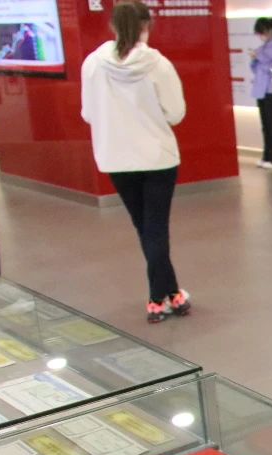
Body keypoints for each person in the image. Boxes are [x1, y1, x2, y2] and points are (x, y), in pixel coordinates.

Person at [82, 0, 190, 324]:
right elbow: (176, 113)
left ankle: (172, 293)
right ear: (147, 25)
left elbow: (88, 113)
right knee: (155, 228)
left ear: (112, 26)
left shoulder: (93, 64)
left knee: (145, 227)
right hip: (157, 157)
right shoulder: (158, 65)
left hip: (116, 158)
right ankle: (157, 298)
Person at [248, 17, 272, 169]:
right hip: (260, 91)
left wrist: (261, 60)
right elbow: (255, 69)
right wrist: (255, 60)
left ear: (271, 30)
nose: (261, 36)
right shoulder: (261, 49)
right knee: (265, 126)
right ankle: (267, 156)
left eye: (263, 32)